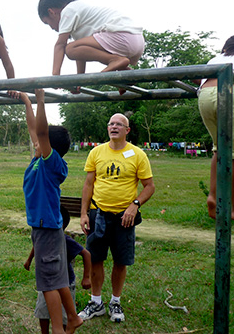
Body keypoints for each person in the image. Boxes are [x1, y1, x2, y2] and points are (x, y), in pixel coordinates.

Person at [78, 113, 155, 323]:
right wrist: (84, 213)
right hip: (98, 214)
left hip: (124, 218)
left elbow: (149, 186)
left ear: (127, 130)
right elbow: (88, 185)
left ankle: (115, 302)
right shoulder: (96, 152)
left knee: (121, 261)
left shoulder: (137, 154)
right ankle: (96, 302)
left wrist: (135, 206)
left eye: (119, 124)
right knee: (96, 258)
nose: (114, 127)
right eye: (111, 123)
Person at [19, 89, 83, 334]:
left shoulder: (51, 162)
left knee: (47, 284)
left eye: (41, 142)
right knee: (56, 278)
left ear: (49, 147)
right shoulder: (37, 160)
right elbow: (35, 130)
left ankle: (58, 327)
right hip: (44, 228)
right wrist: (27, 101)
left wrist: (42, 101)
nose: (35, 141)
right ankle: (73, 318)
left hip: (47, 228)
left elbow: (42, 132)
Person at [38, 0, 144, 93]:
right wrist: (80, 81)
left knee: (69, 49)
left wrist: (55, 77)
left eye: (48, 23)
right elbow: (80, 54)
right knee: (77, 49)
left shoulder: (68, 11)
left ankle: (116, 60)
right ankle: (125, 73)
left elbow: (60, 45)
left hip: (123, 36)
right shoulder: (79, 15)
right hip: (136, 40)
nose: (52, 28)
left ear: (51, 12)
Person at [24, 207, 92, 334]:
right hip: (47, 283)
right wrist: (29, 260)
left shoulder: (65, 240)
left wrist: (86, 277)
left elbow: (86, 254)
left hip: (65, 283)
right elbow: (37, 246)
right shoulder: (44, 236)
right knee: (43, 312)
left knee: (65, 317)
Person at [197, 36, 234, 219]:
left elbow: (200, 79)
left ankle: (213, 195)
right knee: (233, 151)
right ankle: (230, 203)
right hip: (228, 91)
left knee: (219, 148)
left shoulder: (215, 59)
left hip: (205, 95)